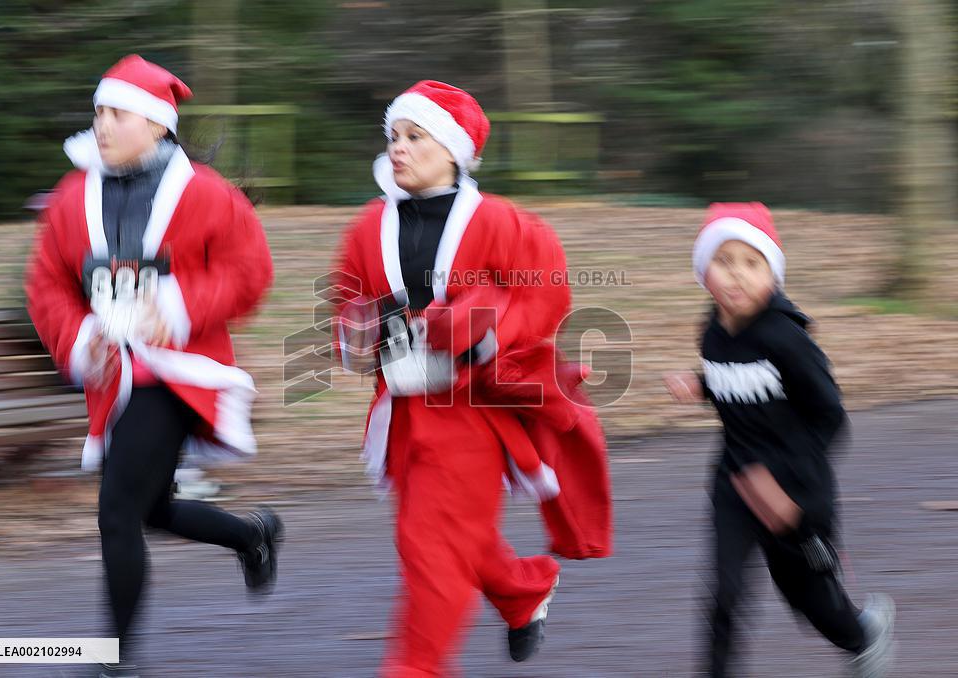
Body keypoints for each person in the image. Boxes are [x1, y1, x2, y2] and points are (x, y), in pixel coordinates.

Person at [331, 80, 612, 677]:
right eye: (393, 137)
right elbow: (346, 305)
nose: (397, 148)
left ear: (454, 148)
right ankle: (521, 588)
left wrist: (479, 329)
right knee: (446, 532)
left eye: (415, 136)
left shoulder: (502, 223)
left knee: (429, 546)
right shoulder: (366, 227)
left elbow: (545, 296)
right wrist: (356, 334)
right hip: (403, 410)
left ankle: (415, 669)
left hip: (473, 412)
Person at [25, 54, 282, 676]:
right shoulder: (69, 198)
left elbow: (250, 274)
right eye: (98, 112)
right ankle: (251, 535)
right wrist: (79, 336)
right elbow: (47, 284)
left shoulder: (204, 195)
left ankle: (113, 661)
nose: (102, 125)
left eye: (117, 113)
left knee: (116, 510)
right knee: (150, 509)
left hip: (178, 372)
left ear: (157, 125)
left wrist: (178, 306)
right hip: (112, 377)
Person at [663, 202, 895, 677]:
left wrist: (789, 489)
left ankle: (862, 635)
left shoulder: (787, 339)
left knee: (809, 599)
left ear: (772, 273)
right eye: (724, 261)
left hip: (797, 494)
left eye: (752, 263)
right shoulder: (711, 332)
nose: (737, 276)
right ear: (704, 270)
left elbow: (830, 418)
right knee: (723, 596)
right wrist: (700, 384)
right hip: (735, 483)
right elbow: (740, 386)